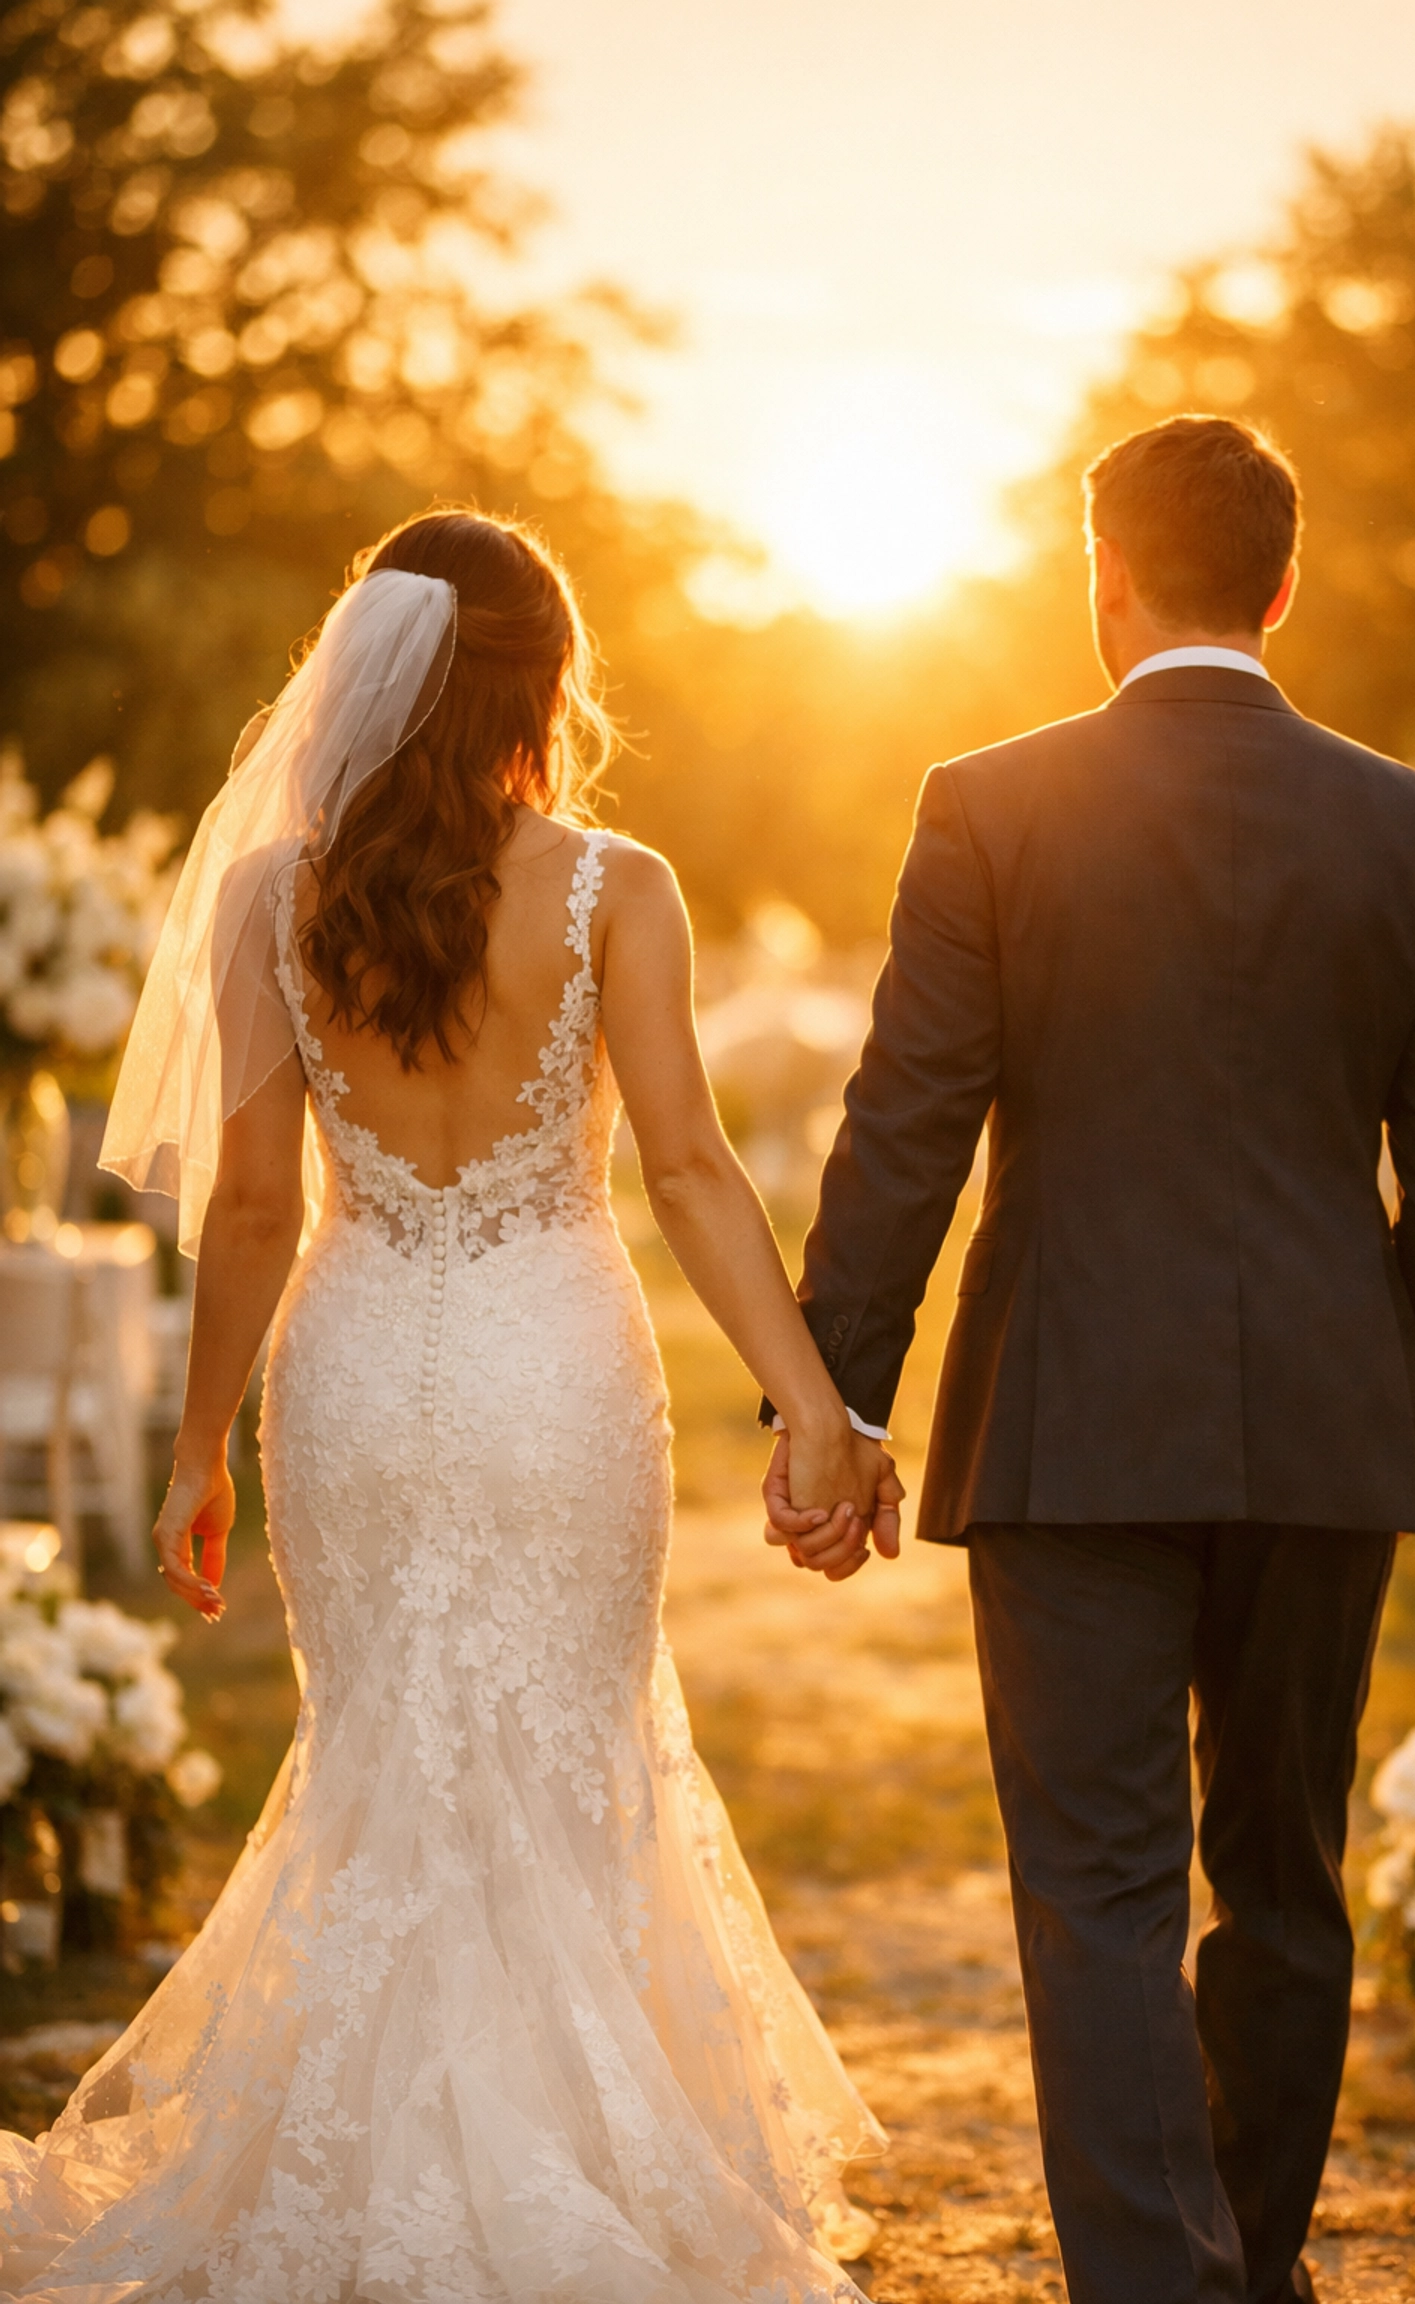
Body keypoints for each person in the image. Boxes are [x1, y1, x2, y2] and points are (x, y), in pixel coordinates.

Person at [0, 509, 894, 2304]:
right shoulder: (610, 887)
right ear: (543, 681)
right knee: (567, 1752)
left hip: (349, 1377)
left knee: (382, 1756)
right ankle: (565, 2159)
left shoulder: (277, 894)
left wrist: (195, 1450)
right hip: (554, 1368)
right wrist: (816, 1407)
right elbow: (697, 1173)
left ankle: (367, 2158)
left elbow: (252, 1212)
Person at [764, 414, 1415, 2304]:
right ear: (1283, 589)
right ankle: (1244, 2276)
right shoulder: (1411, 825)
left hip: (1069, 1426)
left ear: (1101, 583)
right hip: (1328, 1434)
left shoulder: (990, 805)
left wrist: (841, 1397)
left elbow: (908, 1120)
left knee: (1094, 1891)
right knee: (1283, 1880)